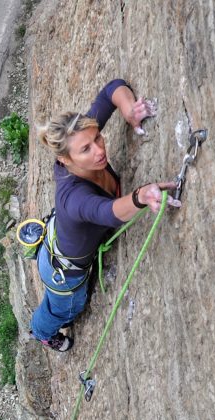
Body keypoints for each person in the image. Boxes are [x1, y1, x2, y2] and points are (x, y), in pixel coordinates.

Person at [30, 78, 179, 352]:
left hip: (57, 247)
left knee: (60, 304)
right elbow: (106, 212)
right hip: (66, 275)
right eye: (86, 149)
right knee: (66, 309)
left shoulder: (81, 137)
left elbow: (112, 89)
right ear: (65, 160)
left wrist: (128, 108)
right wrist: (140, 197)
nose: (99, 150)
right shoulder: (73, 198)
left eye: (97, 137)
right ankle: (40, 331)